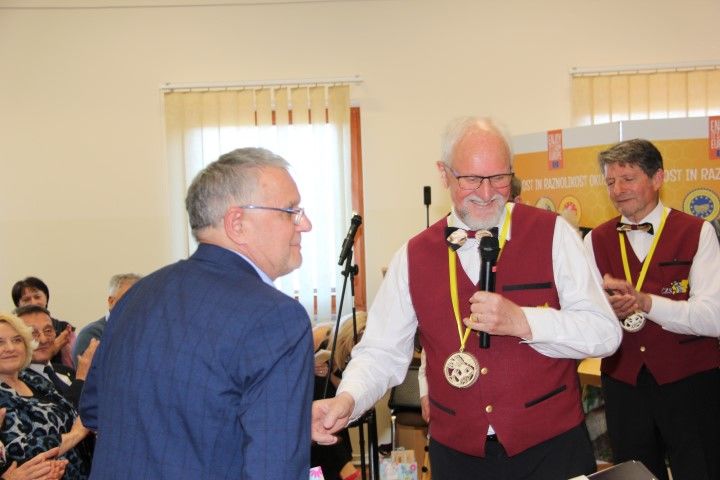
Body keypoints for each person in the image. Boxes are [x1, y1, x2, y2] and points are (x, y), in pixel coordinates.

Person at [312, 117, 622, 480]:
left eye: (499, 177)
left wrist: (525, 322)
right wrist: (348, 399)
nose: (487, 193)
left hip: (552, 449)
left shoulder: (555, 234)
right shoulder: (411, 256)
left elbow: (604, 332)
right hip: (458, 457)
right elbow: (380, 352)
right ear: (444, 174)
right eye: (471, 179)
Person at [80, 147, 315, 479]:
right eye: (290, 211)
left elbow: (94, 410)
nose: (305, 224)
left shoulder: (137, 296)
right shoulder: (276, 318)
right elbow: (275, 469)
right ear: (237, 223)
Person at [583, 139, 720, 480]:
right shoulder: (594, 240)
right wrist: (605, 311)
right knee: (633, 473)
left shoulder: (698, 232)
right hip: (623, 383)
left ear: (657, 178)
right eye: (610, 182)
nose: (617, 190)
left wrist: (647, 303)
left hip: (691, 381)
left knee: (701, 469)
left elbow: (713, 317)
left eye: (627, 179)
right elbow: (585, 315)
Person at [0, 313, 90, 479]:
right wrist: (75, 435)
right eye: (0, 342)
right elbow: (21, 451)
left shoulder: (32, 378)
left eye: (17, 340)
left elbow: (73, 414)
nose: (10, 348)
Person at [13, 306, 96, 409]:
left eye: (48, 331)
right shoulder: (18, 383)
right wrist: (81, 377)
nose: (43, 340)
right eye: (32, 333)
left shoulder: (65, 371)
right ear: (17, 340)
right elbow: (62, 414)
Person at [72, 273, 141, 361]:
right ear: (111, 302)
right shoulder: (92, 334)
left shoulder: (146, 332)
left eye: (140, 300)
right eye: (128, 299)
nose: (134, 305)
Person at [10, 278, 75, 368]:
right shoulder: (12, 330)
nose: (33, 302)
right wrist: (53, 349)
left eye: (37, 297)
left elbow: (73, 366)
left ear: (46, 298)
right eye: (26, 299)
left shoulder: (64, 328)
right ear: (18, 305)